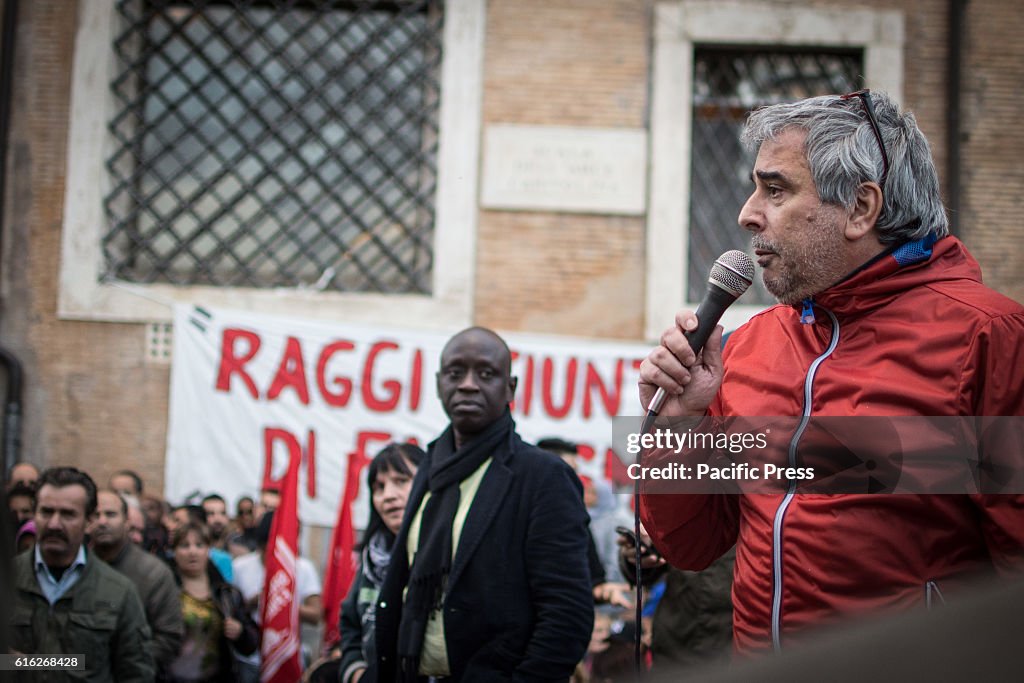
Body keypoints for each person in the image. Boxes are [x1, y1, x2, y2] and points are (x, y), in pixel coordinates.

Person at [637, 90, 1024, 654]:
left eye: (775, 189)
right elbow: (691, 548)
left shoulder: (991, 337)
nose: (747, 212)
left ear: (861, 208)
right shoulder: (746, 346)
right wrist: (677, 428)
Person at [374, 327, 594, 681]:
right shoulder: (430, 467)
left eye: (486, 374)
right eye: (455, 373)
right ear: (438, 383)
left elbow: (566, 613)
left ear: (511, 387)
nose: (468, 384)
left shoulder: (541, 476)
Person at [9, 466, 154, 681]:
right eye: (46, 511)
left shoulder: (117, 592)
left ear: (89, 522)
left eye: (68, 514)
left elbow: (136, 673)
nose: (54, 524)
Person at [339, 442, 425, 683]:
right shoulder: (371, 557)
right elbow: (349, 624)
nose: (388, 495)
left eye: (401, 481)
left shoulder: (443, 558)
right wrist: (355, 672)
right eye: (379, 487)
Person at [91, 489, 185, 677]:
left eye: (110, 514)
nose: (102, 522)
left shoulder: (154, 573)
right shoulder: (74, 567)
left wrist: (117, 665)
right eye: (95, 515)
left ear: (126, 522)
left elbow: (169, 638)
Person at [231, 510, 322, 681]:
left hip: (286, 657)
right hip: (249, 658)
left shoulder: (304, 568)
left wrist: (282, 604)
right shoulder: (240, 567)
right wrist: (254, 602)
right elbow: (233, 611)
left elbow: (315, 615)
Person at [169, 521, 259, 682]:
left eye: (199, 545)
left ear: (208, 550)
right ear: (174, 551)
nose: (192, 552)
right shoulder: (164, 590)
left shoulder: (226, 593)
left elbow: (251, 643)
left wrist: (240, 632)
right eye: (184, 545)